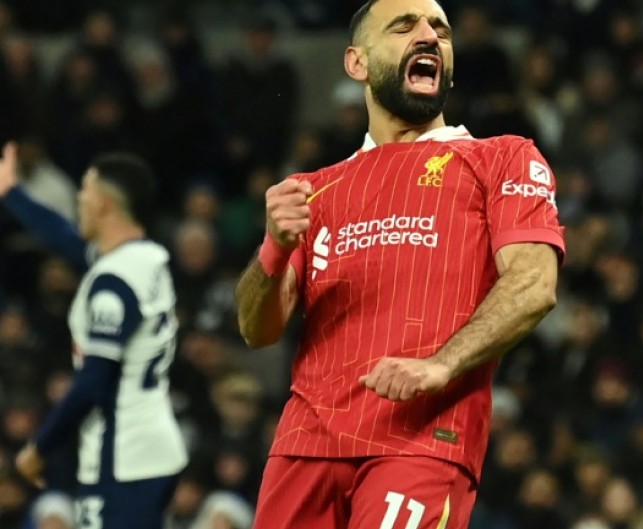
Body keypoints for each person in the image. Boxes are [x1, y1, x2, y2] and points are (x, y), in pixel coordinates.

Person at [234, 0, 565, 527]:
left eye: (441, 29)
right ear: (356, 63)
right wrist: (273, 246)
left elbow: (534, 283)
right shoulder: (315, 190)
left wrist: (442, 365)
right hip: (304, 443)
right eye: (404, 26)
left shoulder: (501, 157)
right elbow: (256, 328)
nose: (430, 36)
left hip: (421, 438)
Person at [0, 143, 188, 528]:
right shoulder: (148, 259)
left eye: (84, 190)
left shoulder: (112, 281)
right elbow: (66, 239)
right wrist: (11, 193)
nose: (79, 200)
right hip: (148, 447)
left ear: (103, 202)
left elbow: (93, 381)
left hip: (123, 457)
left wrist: (39, 448)